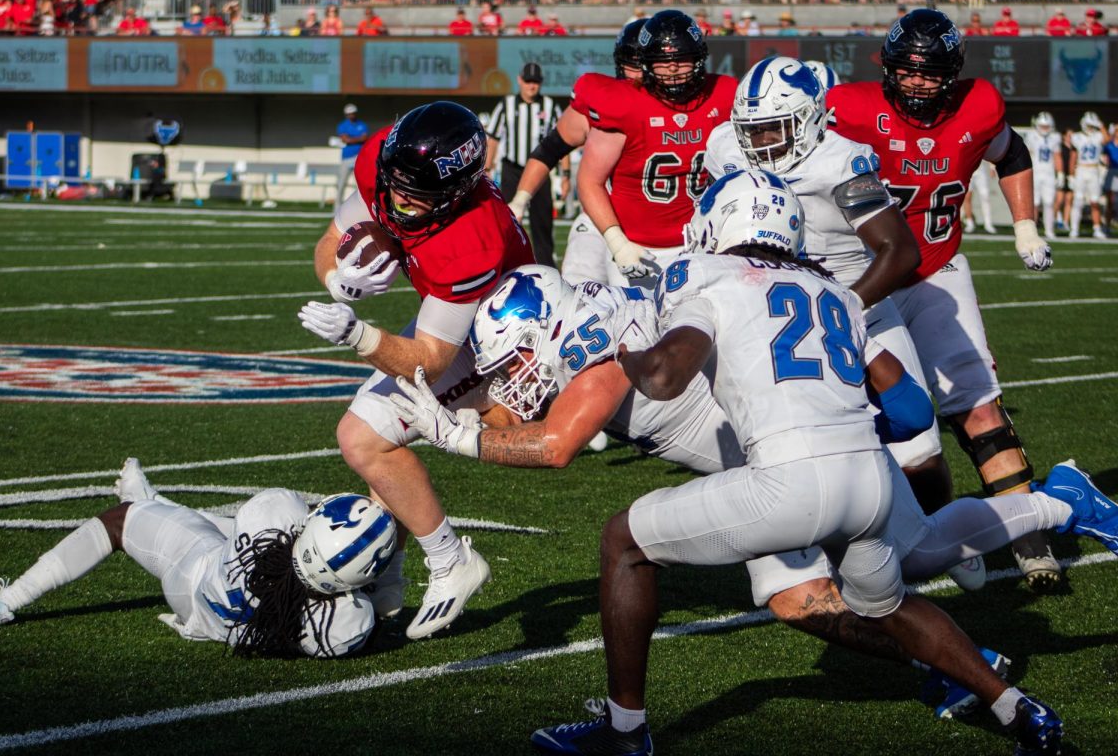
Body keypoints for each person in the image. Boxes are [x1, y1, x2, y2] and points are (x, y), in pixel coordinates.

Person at [527, 172, 1105, 755]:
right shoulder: (834, 289)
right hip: (869, 481)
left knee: (624, 543)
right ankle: (1018, 708)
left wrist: (618, 347)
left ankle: (625, 735)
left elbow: (661, 378)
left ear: (722, 220)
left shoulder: (702, 274)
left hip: (787, 482)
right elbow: (909, 412)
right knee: (891, 604)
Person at [394, 259, 1118, 723]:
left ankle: (625, 730)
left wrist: (454, 437)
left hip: (785, 459)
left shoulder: (599, 356)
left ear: (557, 330)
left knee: (841, 578)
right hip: (794, 450)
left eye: (520, 358)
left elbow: (553, 446)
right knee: (880, 568)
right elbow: (519, 411)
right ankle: (1047, 521)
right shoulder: (602, 321)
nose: (514, 375)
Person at [703, 55, 988, 588]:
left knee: (919, 447)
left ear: (811, 120)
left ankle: (938, 532)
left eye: (773, 128)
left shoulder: (841, 163)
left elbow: (899, 252)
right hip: (775, 315)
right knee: (792, 441)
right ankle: (825, 551)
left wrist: (842, 310)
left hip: (860, 307)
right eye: (751, 129)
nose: (759, 142)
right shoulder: (725, 148)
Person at [826, 8, 1062, 592]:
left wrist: (1024, 224)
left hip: (937, 271)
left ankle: (1029, 539)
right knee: (882, 417)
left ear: (952, 73)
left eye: (931, 73)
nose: (918, 83)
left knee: (979, 407)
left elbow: (1010, 153)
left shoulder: (978, 106)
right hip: (866, 276)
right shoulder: (849, 109)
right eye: (906, 71)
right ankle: (928, 533)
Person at [297, 101, 534, 640]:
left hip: (504, 335)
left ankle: (452, 561)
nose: (400, 198)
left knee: (362, 439)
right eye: (396, 183)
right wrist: (337, 280)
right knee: (384, 446)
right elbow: (329, 242)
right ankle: (388, 582)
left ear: (456, 191)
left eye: (419, 193)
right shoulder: (384, 159)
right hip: (454, 316)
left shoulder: (470, 237)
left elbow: (430, 359)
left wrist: (357, 335)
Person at [0, 459, 389, 660]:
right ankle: (155, 502)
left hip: (195, 582)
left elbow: (265, 536)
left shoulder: (274, 513)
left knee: (123, 521)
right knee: (216, 528)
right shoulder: (347, 624)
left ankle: (5, 602)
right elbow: (340, 599)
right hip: (232, 619)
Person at [575, 10, 737, 289]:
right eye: (662, 61)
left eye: (682, 59)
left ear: (699, 58)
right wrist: (617, 243)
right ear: (646, 64)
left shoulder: (723, 94)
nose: (673, 68)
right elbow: (590, 180)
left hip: (703, 246)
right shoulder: (624, 103)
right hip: (639, 250)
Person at [508, 19, 648, 289]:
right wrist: (520, 200)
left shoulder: (684, 107)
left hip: (649, 226)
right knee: (574, 297)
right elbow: (548, 150)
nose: (639, 72)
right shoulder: (603, 98)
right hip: (597, 219)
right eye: (632, 63)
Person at [485, 62, 564, 268]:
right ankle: (506, 269)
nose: (532, 86)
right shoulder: (506, 104)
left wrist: (565, 175)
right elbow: (492, 138)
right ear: (520, 80)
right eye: (528, 81)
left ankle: (548, 271)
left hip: (540, 170)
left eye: (536, 82)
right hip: (512, 170)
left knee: (542, 226)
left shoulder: (550, 106)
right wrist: (486, 169)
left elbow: (563, 140)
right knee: (508, 223)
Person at [1024, 112, 1063, 240]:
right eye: (1042, 126)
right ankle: (1032, 231)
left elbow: (1057, 156)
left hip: (1049, 174)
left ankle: (1049, 230)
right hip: (1035, 172)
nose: (1045, 129)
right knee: (1034, 203)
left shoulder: (1055, 137)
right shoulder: (1031, 136)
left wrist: (1061, 173)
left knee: (1049, 202)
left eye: (1047, 126)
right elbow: (1026, 155)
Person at [1069, 111, 1107, 239]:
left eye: (1093, 125)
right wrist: (1070, 175)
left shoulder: (1098, 136)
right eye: (1089, 124)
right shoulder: (1077, 137)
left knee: (1095, 201)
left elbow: (1107, 139)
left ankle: (1097, 228)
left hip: (1094, 170)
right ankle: (1074, 229)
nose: (1091, 127)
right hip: (1081, 169)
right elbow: (1073, 157)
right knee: (1078, 200)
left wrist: (1101, 125)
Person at [335, 103, 369, 204]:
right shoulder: (342, 125)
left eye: (353, 113)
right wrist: (358, 139)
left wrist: (351, 139)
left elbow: (364, 138)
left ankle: (360, 206)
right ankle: (337, 208)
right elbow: (345, 140)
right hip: (346, 157)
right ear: (346, 114)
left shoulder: (362, 124)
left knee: (359, 185)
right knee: (341, 184)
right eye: (349, 113)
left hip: (359, 157)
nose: (351, 115)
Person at [962, 162, 998, 234]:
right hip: (967, 171)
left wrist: (992, 168)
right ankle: (970, 223)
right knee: (967, 197)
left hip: (981, 171)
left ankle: (988, 224)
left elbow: (988, 152)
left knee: (985, 196)